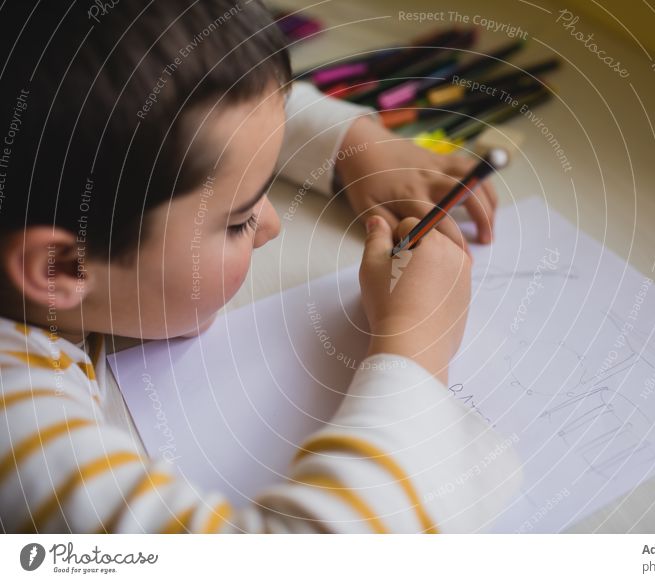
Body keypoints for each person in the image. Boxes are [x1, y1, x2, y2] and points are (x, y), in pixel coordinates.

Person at [0, 0, 520, 533]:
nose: (271, 226)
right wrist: (418, 347)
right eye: (236, 221)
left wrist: (353, 145)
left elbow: (191, 102)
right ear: (60, 268)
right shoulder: (19, 437)